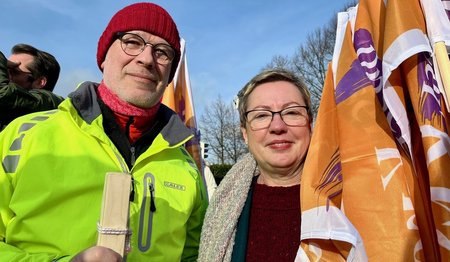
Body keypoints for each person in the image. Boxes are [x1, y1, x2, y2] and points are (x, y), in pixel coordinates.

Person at [0, 2, 207, 261]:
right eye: (132, 42)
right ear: (103, 56)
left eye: (163, 52)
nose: (146, 59)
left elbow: (195, 254)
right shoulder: (23, 135)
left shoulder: (186, 164)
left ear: (168, 75)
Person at [198, 69, 313, 262]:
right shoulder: (224, 206)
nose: (277, 126)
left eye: (292, 112)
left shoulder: (347, 198)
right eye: (261, 115)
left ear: (310, 124)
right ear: (245, 133)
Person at [0, 43, 63, 129]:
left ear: (40, 82)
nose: (5, 76)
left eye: (14, 71)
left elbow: (4, 94)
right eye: (5, 69)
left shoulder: (49, 103)